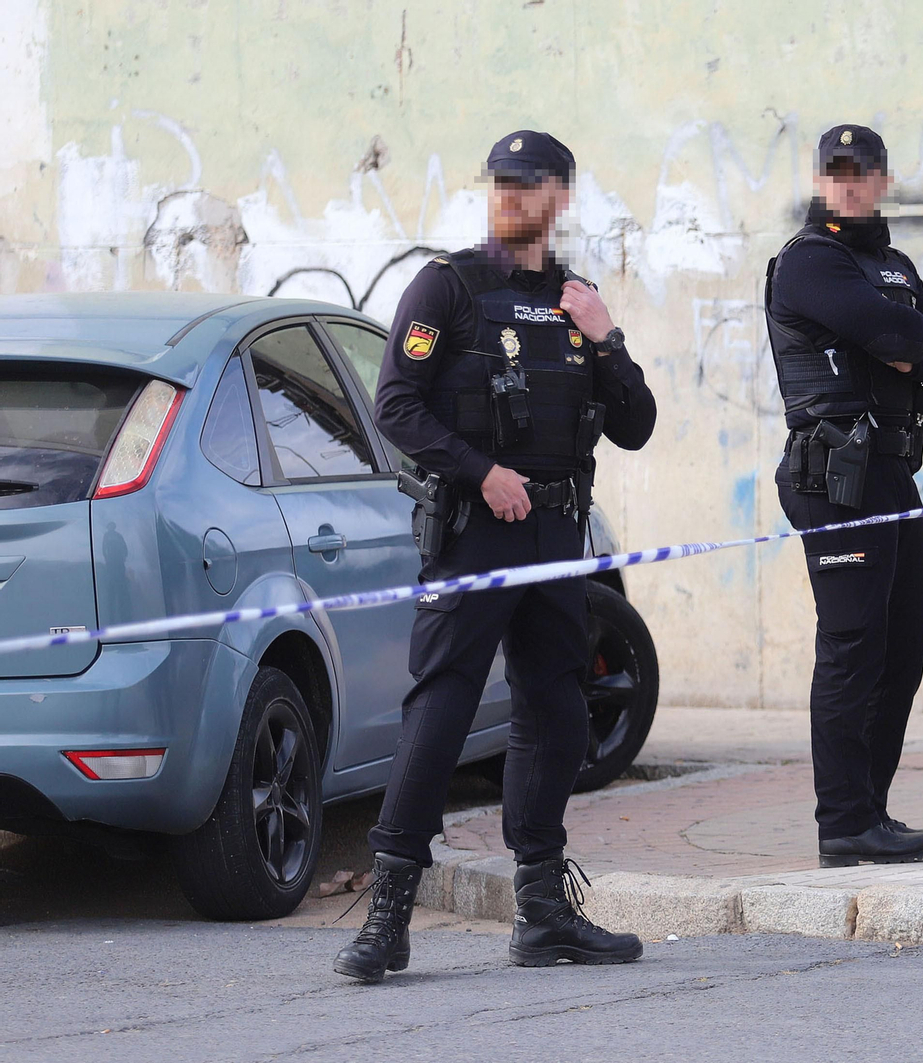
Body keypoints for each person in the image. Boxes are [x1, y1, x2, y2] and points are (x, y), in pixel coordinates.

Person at [335, 129, 656, 982]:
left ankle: (543, 912)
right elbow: (397, 407)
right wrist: (482, 474)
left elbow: (636, 425)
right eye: (500, 184)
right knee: (441, 709)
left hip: (557, 537)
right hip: (479, 531)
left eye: (528, 186)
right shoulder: (447, 287)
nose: (509, 198)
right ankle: (390, 913)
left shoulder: (576, 300)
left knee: (555, 714)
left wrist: (607, 334)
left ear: (560, 196)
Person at [764, 124, 923, 868]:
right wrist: (899, 336)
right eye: (836, 171)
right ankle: (843, 820)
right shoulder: (809, 260)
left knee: (903, 644)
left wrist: (901, 337)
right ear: (821, 179)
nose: (849, 183)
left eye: (863, 172)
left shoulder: (892, 262)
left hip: (891, 474)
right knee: (853, 646)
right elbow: (890, 329)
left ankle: (871, 809)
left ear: (883, 180)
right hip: (835, 478)